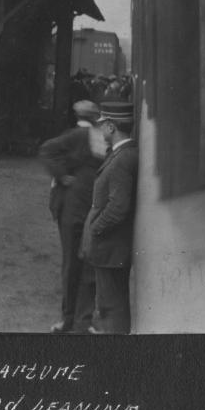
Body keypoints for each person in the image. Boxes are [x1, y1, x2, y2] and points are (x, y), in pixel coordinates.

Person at [39, 100, 105, 334]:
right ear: (93, 118)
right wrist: (63, 176)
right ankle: (75, 320)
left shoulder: (94, 136)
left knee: (78, 265)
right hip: (74, 212)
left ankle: (77, 320)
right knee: (80, 265)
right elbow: (46, 150)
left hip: (84, 211)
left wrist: (63, 174)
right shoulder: (80, 135)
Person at [79, 101, 139, 334]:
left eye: (102, 124)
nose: (100, 129)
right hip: (111, 249)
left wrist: (95, 228)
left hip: (110, 249)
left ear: (112, 127)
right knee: (108, 305)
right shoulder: (123, 154)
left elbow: (118, 207)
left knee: (111, 307)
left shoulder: (122, 160)